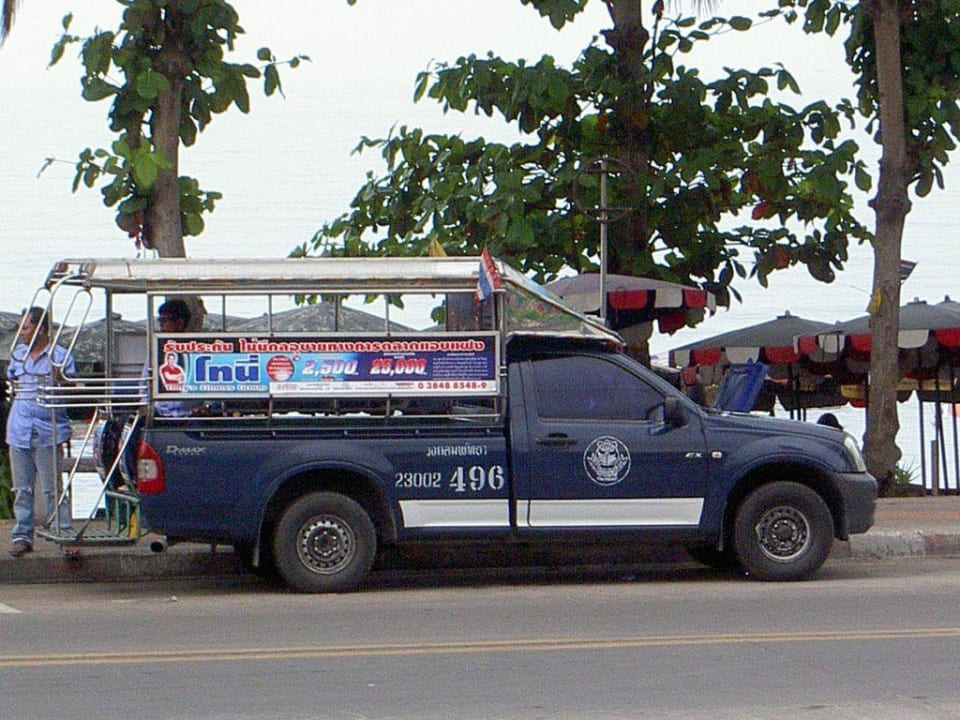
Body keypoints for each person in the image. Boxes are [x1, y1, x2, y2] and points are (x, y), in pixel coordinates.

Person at [6, 306, 77, 557]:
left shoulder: (59, 355)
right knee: (22, 489)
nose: (21, 332)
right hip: (20, 429)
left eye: (26, 327)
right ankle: (22, 535)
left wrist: (58, 377)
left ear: (41, 328)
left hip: (48, 429)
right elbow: (12, 381)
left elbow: (71, 387)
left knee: (53, 488)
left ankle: (64, 533)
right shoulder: (18, 355)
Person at [149, 300, 200, 417]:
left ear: (180, 322)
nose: (161, 324)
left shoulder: (196, 347)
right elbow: (145, 381)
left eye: (165, 320)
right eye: (160, 320)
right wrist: (148, 408)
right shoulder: (157, 348)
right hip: (161, 414)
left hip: (191, 414)